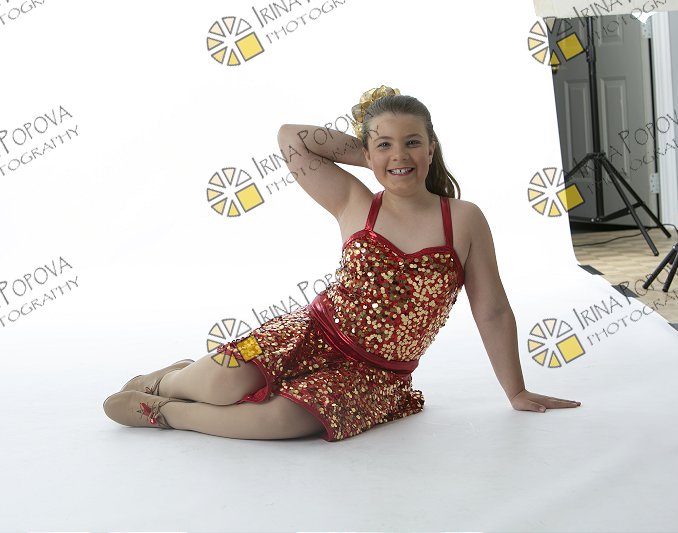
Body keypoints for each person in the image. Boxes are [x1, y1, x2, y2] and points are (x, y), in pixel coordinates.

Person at [103, 85, 581, 442]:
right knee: (222, 381)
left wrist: (516, 391)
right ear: (368, 152)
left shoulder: (464, 218)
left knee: (285, 421)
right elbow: (291, 137)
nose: (400, 154)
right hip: (309, 332)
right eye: (385, 144)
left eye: (413, 142)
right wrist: (375, 158)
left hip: (375, 372)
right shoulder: (355, 201)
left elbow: (492, 310)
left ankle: (167, 413)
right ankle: (170, 379)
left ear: (432, 148)